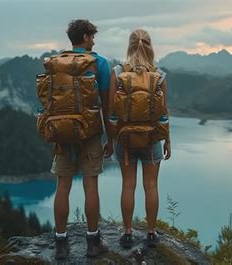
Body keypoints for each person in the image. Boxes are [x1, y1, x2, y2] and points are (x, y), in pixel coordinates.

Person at [50, 19, 112, 259]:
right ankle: (92, 240)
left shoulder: (57, 64)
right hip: (90, 133)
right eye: (92, 36)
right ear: (85, 37)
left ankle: (60, 243)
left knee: (62, 186)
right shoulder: (99, 63)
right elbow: (107, 106)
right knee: (91, 185)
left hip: (62, 133)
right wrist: (111, 139)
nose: (94, 41)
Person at [105, 28, 171, 249]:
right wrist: (167, 140)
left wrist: (111, 140)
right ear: (150, 46)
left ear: (129, 46)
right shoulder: (159, 74)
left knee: (128, 185)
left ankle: (127, 233)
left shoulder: (117, 72)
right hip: (152, 139)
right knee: (151, 186)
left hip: (125, 141)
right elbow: (164, 112)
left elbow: (112, 111)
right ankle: (151, 233)